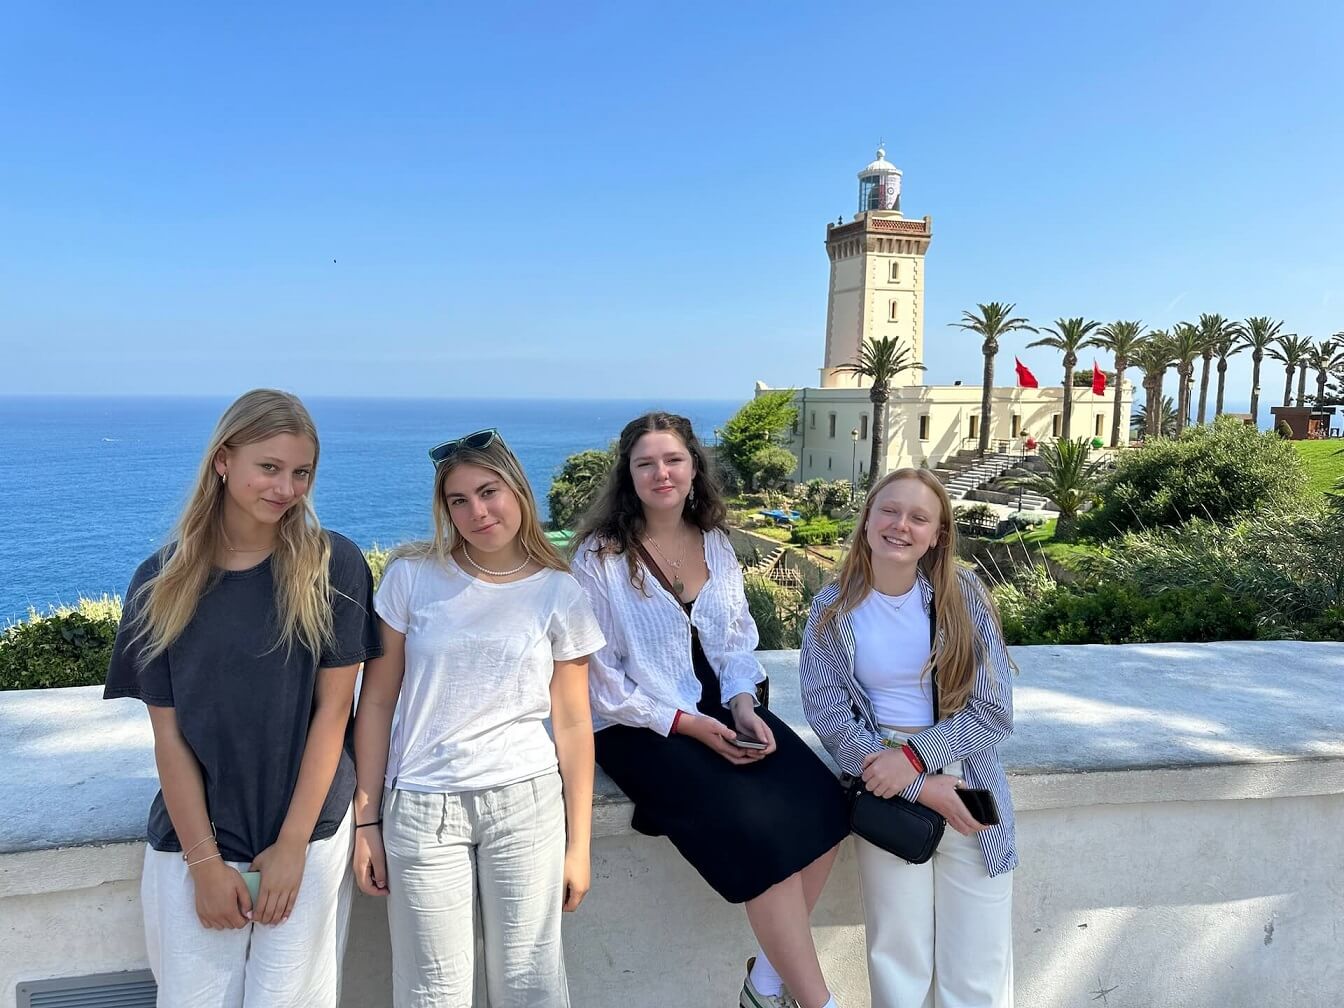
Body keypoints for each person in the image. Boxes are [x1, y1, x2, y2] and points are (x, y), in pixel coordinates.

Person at [103, 388, 382, 1007]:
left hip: (307, 833)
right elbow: (169, 735)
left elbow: (334, 714)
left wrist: (290, 848)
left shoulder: (332, 565)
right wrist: (204, 864)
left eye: (301, 472)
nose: (286, 488)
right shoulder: (160, 582)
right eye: (270, 467)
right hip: (195, 841)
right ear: (224, 461)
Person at [571, 412, 851, 1008]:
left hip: (722, 701)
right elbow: (601, 682)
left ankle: (768, 982)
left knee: (827, 808)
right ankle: (817, 1002)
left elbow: (734, 642)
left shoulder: (716, 543)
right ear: (628, 475)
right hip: (640, 721)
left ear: (694, 467)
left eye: (672, 460)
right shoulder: (599, 558)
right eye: (645, 463)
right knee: (759, 839)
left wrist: (744, 705)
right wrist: (689, 724)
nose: (660, 473)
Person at [351, 428, 604, 1008]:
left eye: (488, 492)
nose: (477, 512)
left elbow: (571, 724)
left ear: (517, 489)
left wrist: (579, 845)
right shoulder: (412, 577)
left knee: (532, 987)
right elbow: (377, 703)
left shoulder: (559, 593)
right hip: (421, 807)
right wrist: (367, 823)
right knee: (432, 993)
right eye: (458, 501)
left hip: (527, 806)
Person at [800, 467, 1017, 1008]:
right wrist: (910, 781)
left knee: (981, 953)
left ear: (938, 534)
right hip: (884, 781)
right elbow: (827, 714)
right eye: (889, 511)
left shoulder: (963, 595)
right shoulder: (832, 608)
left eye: (919, 517)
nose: (901, 525)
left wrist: (919, 760)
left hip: (971, 775)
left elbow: (993, 712)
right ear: (868, 518)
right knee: (898, 955)